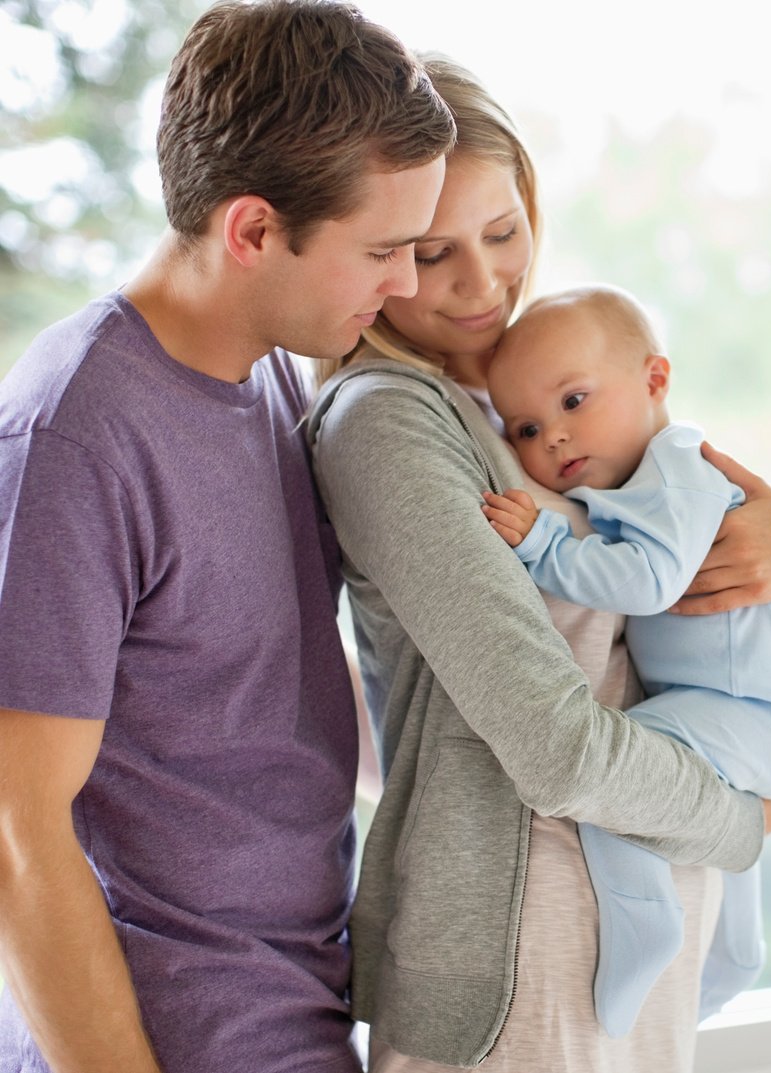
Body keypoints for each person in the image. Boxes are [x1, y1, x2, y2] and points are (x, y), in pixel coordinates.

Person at [304, 55, 771, 1073]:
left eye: (504, 232)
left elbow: (713, 600)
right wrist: (742, 822)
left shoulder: (547, 387)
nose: (482, 284)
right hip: (524, 935)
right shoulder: (389, 418)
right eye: (431, 252)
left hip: (635, 890)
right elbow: (551, 740)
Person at [0, 3, 456, 1072]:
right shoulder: (77, 432)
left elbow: (251, 691)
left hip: (295, 1015)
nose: (407, 284)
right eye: (383, 249)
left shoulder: (271, 374)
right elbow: (19, 830)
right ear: (252, 230)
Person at [481, 284, 771, 1037]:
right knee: (716, 845)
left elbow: (649, 583)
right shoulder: (641, 481)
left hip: (766, 716)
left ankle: (645, 926)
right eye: (523, 426)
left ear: (654, 380)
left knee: (623, 776)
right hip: (754, 712)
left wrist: (545, 545)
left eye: (574, 400)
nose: (550, 437)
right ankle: (733, 959)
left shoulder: (674, 471)